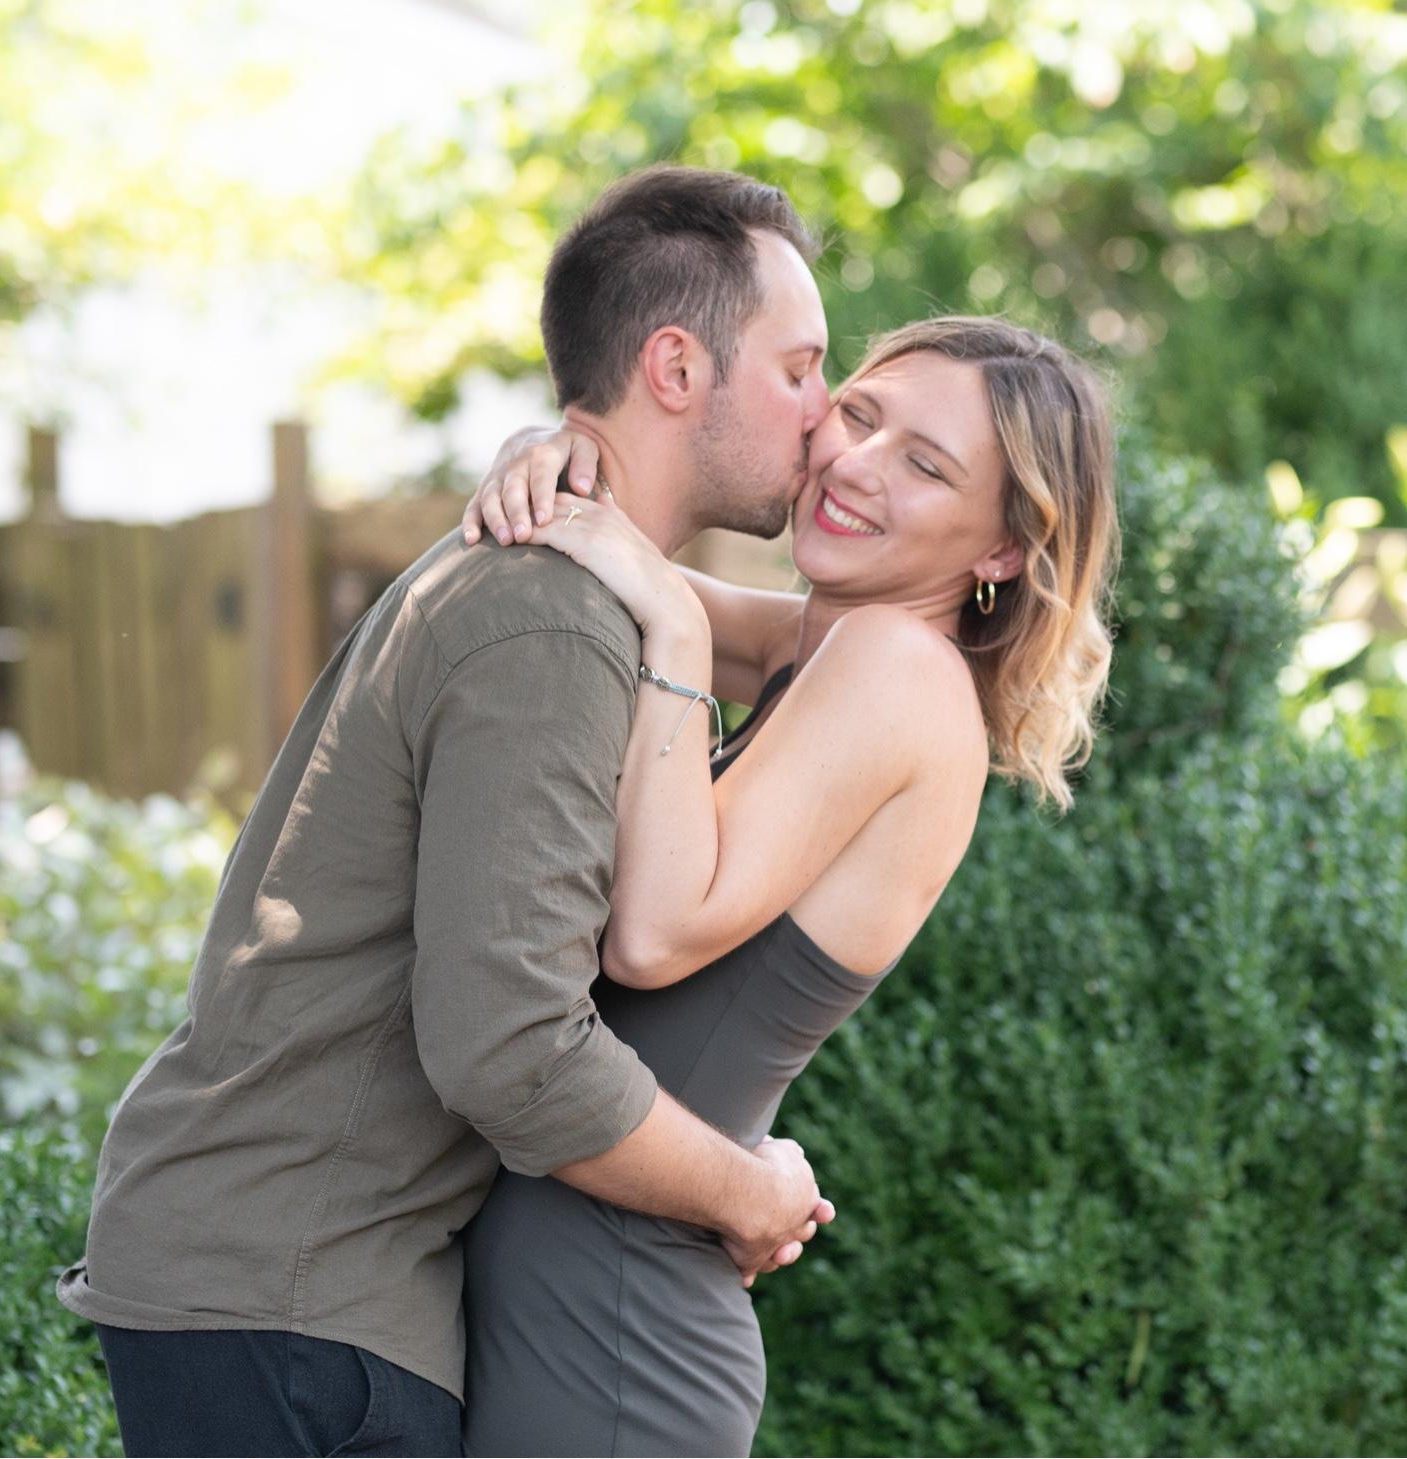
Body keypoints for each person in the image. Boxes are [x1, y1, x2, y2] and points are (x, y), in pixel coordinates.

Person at [56, 166, 845, 1458]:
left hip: (290, 1284)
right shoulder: (552, 622)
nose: (827, 417)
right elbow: (514, 1051)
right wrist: (748, 1192)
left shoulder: (577, 583)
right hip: (290, 1301)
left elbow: (833, 655)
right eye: (801, 369)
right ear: (674, 366)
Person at [451, 314, 1118, 1455]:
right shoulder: (822, 644)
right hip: (578, 1297)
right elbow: (575, 550)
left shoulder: (898, 667)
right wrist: (542, 453)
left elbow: (653, 937)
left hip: (617, 1338)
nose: (855, 464)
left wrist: (672, 625)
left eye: (926, 465)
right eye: (858, 414)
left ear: (1004, 550)